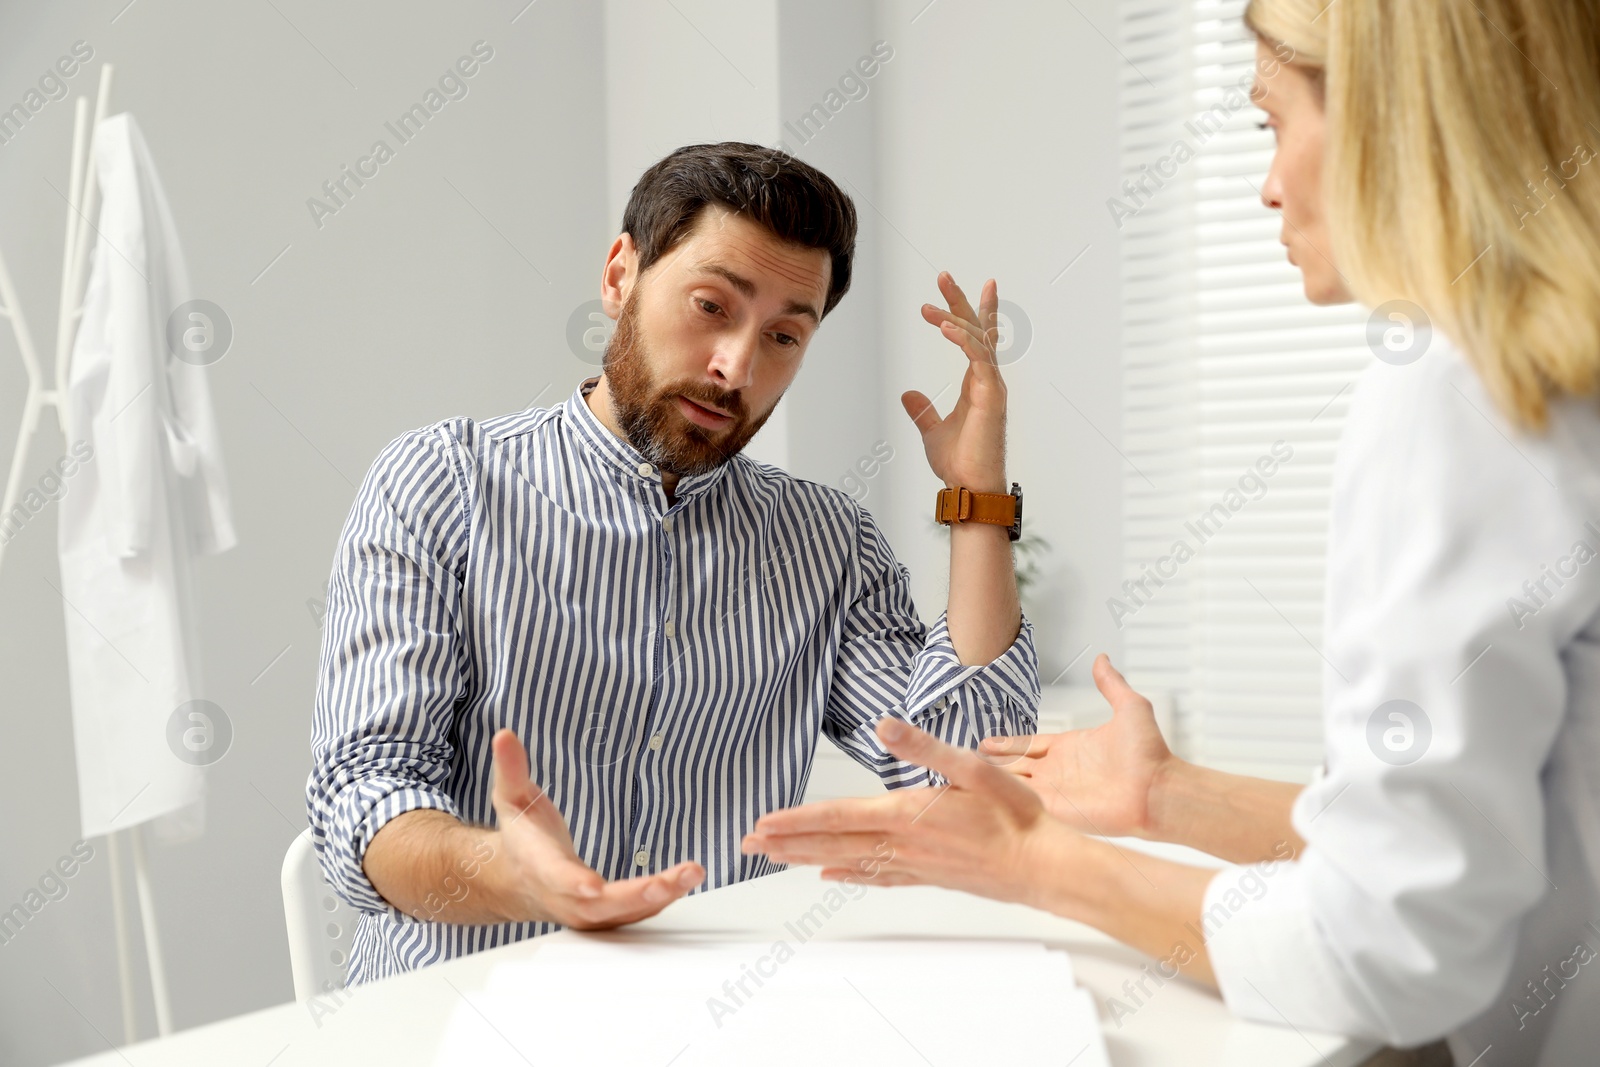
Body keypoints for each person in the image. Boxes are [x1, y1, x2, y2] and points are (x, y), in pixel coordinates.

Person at [742, 1, 1600, 1062]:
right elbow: (1515, 836)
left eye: (1269, 122)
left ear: (1397, 114)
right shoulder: (1543, 374)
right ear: (617, 274)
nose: (1269, 181)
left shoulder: (1468, 385)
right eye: (711, 307)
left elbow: (1388, 945)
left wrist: (1039, 860)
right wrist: (1163, 794)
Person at [306, 141, 1040, 985]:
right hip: (465, 1009)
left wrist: (978, 495)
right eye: (709, 305)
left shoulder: (829, 544)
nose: (737, 366)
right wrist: (514, 876)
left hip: (717, 1015)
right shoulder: (441, 485)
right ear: (621, 275)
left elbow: (966, 782)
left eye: (784, 336)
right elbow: (364, 793)